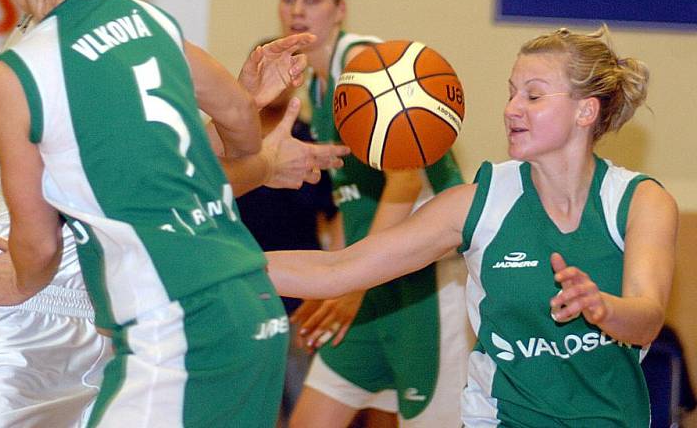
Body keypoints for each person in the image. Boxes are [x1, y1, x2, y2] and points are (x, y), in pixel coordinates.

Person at [0, 0, 347, 428]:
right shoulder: (50, 48)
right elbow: (112, 201)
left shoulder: (130, 24)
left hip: (113, 308)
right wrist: (259, 156)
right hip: (26, 303)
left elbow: (154, 170)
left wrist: (249, 112)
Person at [267, 26, 679, 427]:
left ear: (585, 110)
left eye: (533, 95)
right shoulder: (480, 203)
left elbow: (647, 317)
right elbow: (337, 270)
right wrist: (219, 263)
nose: (511, 108)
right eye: (511, 92)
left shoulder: (639, 202)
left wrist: (602, 307)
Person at [278, 0, 470, 428]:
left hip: (423, 283)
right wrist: (333, 275)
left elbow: (406, 177)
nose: (297, 11)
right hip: (370, 286)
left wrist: (349, 279)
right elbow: (350, 201)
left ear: (340, 8)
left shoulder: (366, 65)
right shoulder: (318, 89)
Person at [236, 60, 340, 425]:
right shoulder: (230, 143)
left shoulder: (309, 140)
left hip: (298, 300)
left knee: (303, 407)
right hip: (241, 297)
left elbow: (332, 212)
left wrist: (334, 286)